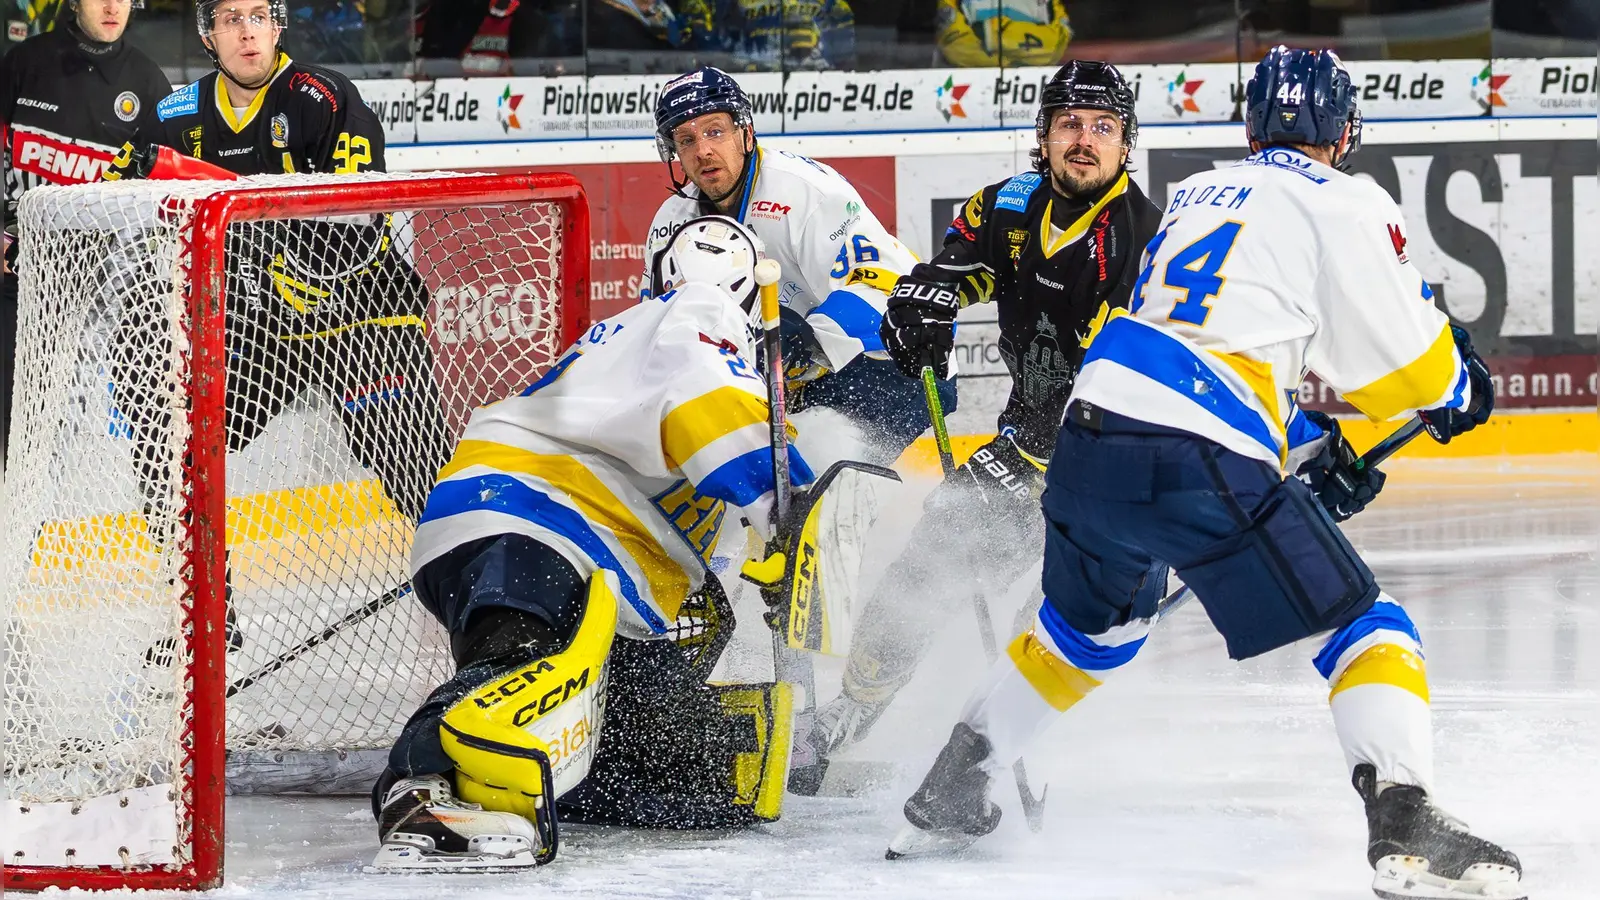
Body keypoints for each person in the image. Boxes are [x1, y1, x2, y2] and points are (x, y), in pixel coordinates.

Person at [885, 46, 1523, 900]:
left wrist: (1308, 449)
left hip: (1088, 437)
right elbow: (1402, 363)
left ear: (1254, 126)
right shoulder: (1343, 198)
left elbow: (1224, 340)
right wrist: (1457, 384)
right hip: (1197, 451)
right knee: (1366, 622)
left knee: (1091, 637)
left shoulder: (1191, 197)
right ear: (1343, 131)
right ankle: (1405, 820)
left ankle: (955, 785)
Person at [371, 216, 803, 870]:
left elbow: (700, 574)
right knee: (519, 661)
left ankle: (526, 777)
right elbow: (707, 397)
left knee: (692, 769)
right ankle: (417, 788)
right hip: (529, 512)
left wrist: (772, 554)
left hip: (549, 530)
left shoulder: (636, 340)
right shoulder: (696, 308)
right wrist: (786, 504)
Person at [809, 60, 1161, 777]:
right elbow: (944, 271)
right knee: (930, 561)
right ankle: (853, 708)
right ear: (1042, 134)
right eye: (1069, 123)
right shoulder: (1008, 206)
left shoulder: (1143, 239)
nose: (1084, 140)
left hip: (1119, 464)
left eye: (1103, 127)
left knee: (1059, 616)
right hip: (1028, 444)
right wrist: (920, 312)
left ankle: (1010, 743)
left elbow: (1130, 380)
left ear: (1127, 144)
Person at [102, 0, 448, 540]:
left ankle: (483, 594)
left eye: (258, 17)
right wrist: (25, 233)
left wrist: (283, 255)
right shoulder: (176, 115)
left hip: (360, 320)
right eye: (231, 20)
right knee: (177, 441)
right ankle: (202, 608)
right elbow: (108, 196)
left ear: (277, 27)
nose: (247, 33)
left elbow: (359, 223)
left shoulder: (324, 97)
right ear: (208, 37)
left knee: (418, 475)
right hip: (267, 329)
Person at [643, 65, 948, 467]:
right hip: (774, 382)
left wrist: (806, 340)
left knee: (825, 482)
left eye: (715, 131)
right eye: (686, 139)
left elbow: (891, 288)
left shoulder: (806, 193)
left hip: (889, 365)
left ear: (745, 132)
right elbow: (658, 321)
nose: (703, 151)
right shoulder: (671, 223)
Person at [0, 0, 170, 468]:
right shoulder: (25, 62)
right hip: (27, 271)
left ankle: (163, 516)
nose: (113, 6)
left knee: (146, 402)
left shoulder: (150, 81)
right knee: (15, 422)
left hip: (113, 280)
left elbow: (164, 195)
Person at [936, 0, 1071, 67]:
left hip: (1031, 89)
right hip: (971, 87)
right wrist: (1015, 62)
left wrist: (992, 36)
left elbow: (1056, 45)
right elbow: (955, 46)